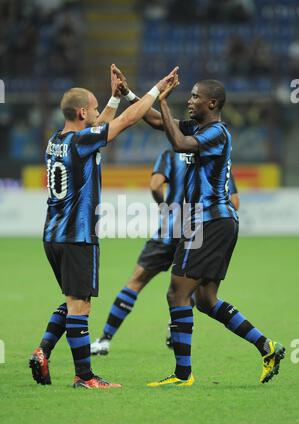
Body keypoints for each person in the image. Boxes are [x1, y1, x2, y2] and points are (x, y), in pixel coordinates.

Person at [112, 68, 285, 386]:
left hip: (210, 221)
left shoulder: (216, 133)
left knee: (177, 293)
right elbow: (155, 122)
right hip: (207, 222)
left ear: (213, 103)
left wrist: (163, 100)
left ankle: (183, 375)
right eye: (189, 95)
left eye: (195, 96)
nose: (189, 101)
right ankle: (267, 347)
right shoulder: (199, 127)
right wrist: (131, 96)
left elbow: (178, 143)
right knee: (205, 300)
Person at [29, 64, 179, 390]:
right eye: (95, 108)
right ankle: (85, 376)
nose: (99, 113)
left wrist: (112, 97)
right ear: (82, 112)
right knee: (80, 306)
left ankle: (43, 351)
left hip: (52, 234)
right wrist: (155, 90)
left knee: (72, 299)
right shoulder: (82, 141)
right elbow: (125, 121)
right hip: (77, 235)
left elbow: (99, 126)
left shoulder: (56, 140)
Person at [90, 147, 239, 355]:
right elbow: (234, 202)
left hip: (169, 231)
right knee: (189, 288)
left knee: (136, 281)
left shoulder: (170, 155)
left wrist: (167, 207)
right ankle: (175, 327)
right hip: (197, 231)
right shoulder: (215, 156)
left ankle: (105, 339)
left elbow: (155, 185)